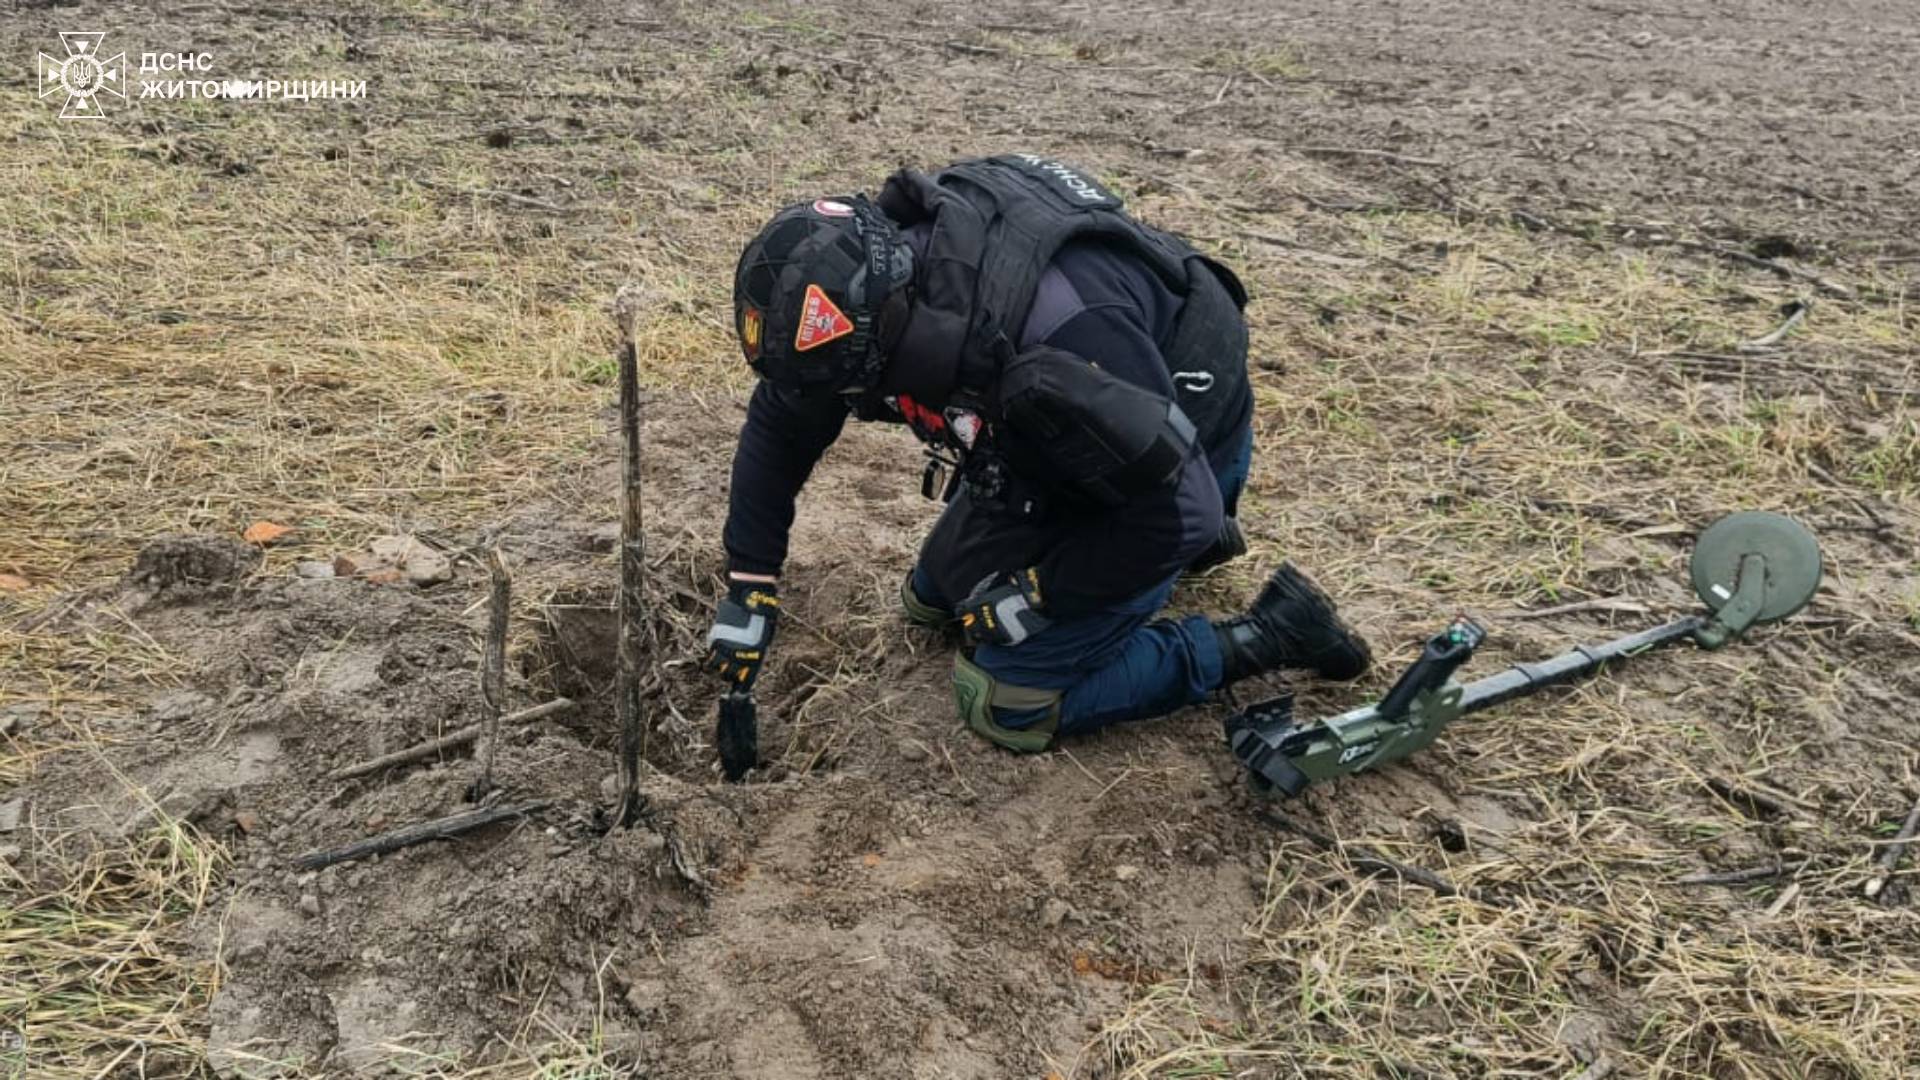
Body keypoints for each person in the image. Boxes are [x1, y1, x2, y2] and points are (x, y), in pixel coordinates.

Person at [705, 154, 1371, 754]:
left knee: (1003, 701)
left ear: (882, 342)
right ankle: (1158, 563)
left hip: (1181, 455)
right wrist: (752, 579)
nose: (827, 399)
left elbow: (1181, 508)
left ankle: (1272, 633)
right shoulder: (875, 288)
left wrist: (1043, 590)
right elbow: (784, 419)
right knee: (934, 600)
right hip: (1074, 442)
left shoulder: (1051, 343)